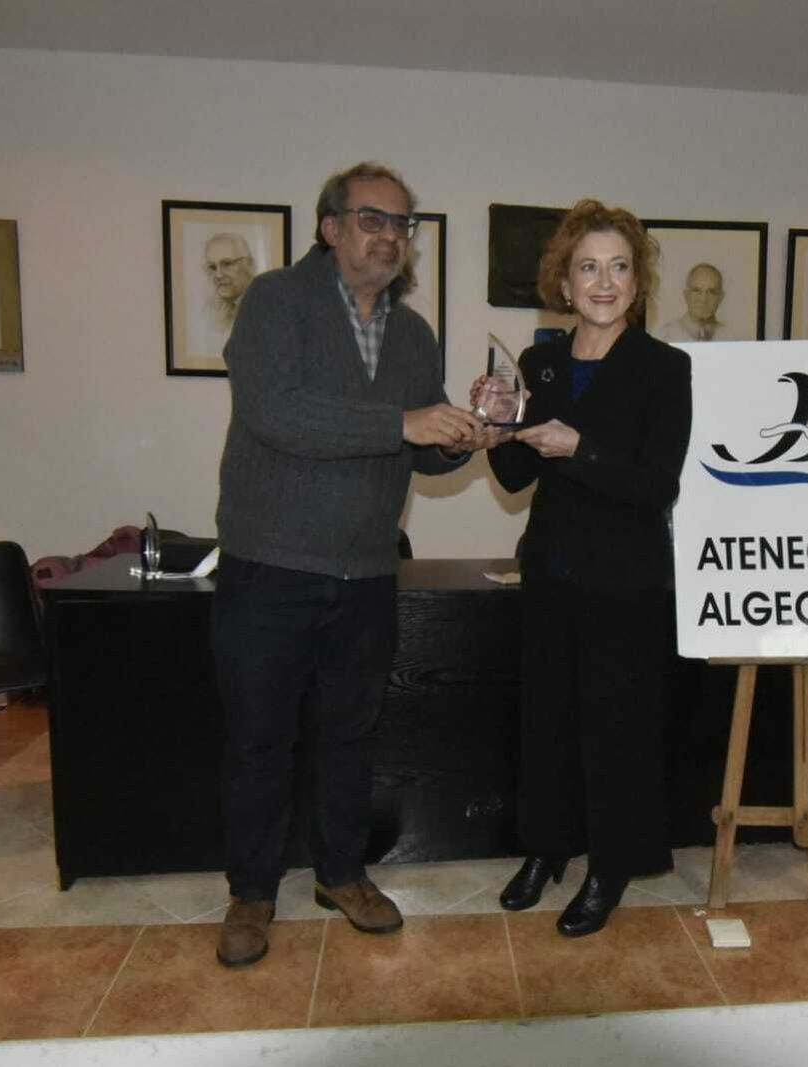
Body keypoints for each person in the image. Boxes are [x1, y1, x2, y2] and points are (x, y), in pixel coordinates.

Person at [212, 161, 490, 969]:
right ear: (331, 228)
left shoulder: (413, 333)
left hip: (367, 573)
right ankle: (252, 893)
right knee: (259, 738)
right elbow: (279, 414)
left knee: (350, 735)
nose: (389, 236)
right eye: (372, 218)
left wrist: (462, 437)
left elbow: (413, 454)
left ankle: (341, 873)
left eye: (402, 224)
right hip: (270, 566)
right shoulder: (274, 302)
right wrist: (407, 420)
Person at [482, 199, 692, 938]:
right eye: (588, 267)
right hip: (549, 573)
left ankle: (611, 866)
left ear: (638, 282)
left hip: (626, 583)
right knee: (546, 722)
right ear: (564, 285)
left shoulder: (665, 369)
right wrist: (498, 418)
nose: (604, 281)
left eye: (620, 266)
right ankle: (547, 849)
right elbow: (512, 474)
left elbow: (656, 484)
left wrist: (582, 450)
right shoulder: (540, 361)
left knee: (615, 731)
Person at [656, 262, 729, 342]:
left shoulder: (730, 338)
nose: (703, 299)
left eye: (711, 292)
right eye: (696, 290)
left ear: (721, 297)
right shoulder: (664, 336)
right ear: (686, 295)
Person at [204, 232, 256, 329]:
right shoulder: (209, 309)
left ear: (249, 264)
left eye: (227, 264)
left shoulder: (263, 304)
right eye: (212, 267)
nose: (218, 275)